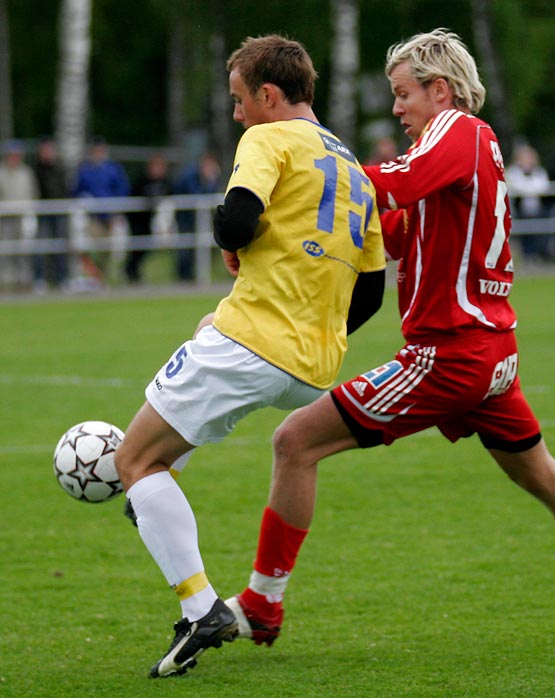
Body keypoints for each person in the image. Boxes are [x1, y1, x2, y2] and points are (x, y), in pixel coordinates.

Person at [224, 28, 555, 657]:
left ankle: (262, 604)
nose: (398, 108)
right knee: (539, 471)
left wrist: (309, 169)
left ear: (440, 90)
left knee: (294, 441)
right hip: (490, 352)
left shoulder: (457, 133)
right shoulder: (455, 156)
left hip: (450, 352)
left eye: (404, 94)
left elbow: (380, 189)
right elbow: (391, 231)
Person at [113, 34, 386, 678]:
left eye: (239, 100)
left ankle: (200, 607)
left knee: (133, 458)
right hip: (313, 365)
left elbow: (234, 222)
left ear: (268, 95)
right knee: (207, 333)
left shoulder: (267, 139)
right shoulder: (356, 170)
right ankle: (162, 485)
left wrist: (237, 242)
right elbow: (372, 290)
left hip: (254, 342)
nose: (236, 114)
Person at [73, 138, 131, 284]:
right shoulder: (85, 171)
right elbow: (77, 192)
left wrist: (117, 210)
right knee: (95, 246)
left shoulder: (113, 169)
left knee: (114, 248)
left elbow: (123, 189)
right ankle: (98, 276)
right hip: (94, 217)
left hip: (112, 216)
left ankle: (113, 275)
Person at [173, 152, 222, 281]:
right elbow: (197, 196)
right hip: (185, 218)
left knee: (202, 247)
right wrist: (210, 182)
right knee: (185, 249)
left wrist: (212, 181)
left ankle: (193, 276)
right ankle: (183, 278)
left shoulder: (210, 177)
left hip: (199, 219)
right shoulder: (190, 176)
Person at [125, 154, 172, 283]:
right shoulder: (140, 182)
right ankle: (131, 272)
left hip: (157, 222)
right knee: (137, 249)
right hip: (140, 222)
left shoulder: (167, 183)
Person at [32, 138, 70, 292]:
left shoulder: (59, 169)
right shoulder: (35, 170)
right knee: (41, 245)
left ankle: (62, 278)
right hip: (43, 212)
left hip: (59, 212)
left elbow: (65, 190)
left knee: (61, 246)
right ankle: (39, 279)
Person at [0, 139, 39, 288]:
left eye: (17, 154)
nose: (14, 157)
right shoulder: (1, 173)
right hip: (4, 217)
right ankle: (4, 281)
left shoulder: (26, 173)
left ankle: (24, 281)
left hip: (23, 216)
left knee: (24, 250)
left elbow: (33, 193)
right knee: (5, 250)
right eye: (12, 154)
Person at [505, 143, 553, 263]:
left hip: (538, 209)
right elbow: (517, 185)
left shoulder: (539, 171)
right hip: (519, 211)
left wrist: (528, 187)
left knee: (542, 227)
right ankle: (528, 255)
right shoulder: (513, 172)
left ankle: (541, 254)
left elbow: (543, 186)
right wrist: (531, 187)